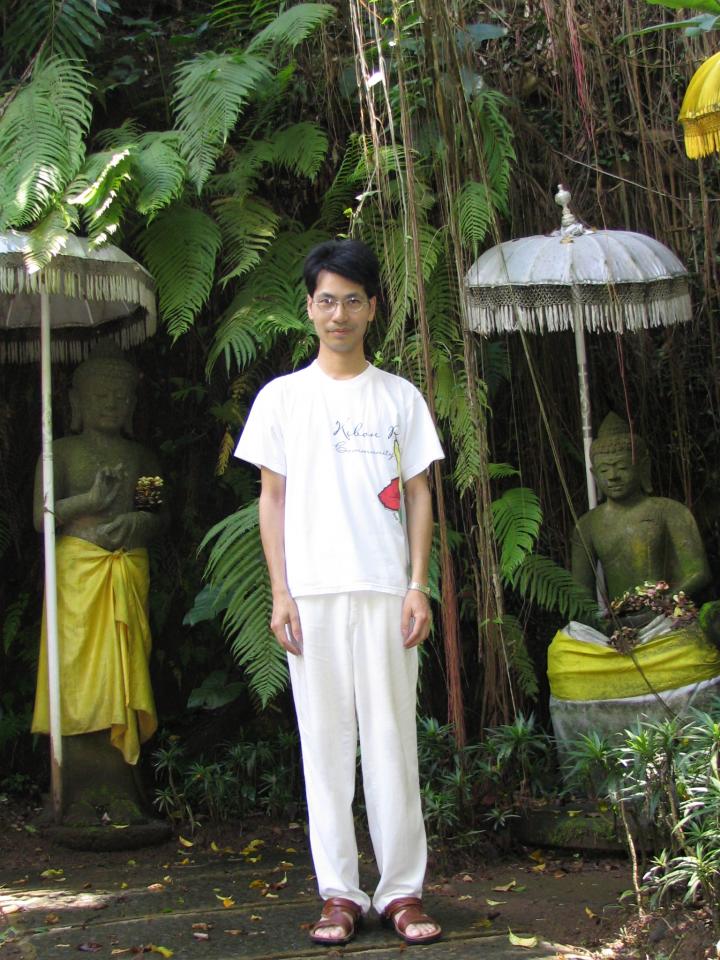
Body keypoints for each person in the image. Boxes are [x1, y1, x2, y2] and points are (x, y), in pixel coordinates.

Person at [234, 239, 443, 946]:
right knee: (324, 748)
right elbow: (271, 499)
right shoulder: (282, 399)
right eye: (328, 299)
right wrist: (280, 591)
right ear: (310, 308)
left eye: (354, 299)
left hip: (387, 592)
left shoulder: (399, 396)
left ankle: (403, 892)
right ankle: (339, 894)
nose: (340, 313)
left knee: (392, 744)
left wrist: (418, 585)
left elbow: (418, 495)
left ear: (373, 308)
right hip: (313, 596)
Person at [31, 345, 164, 824]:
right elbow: (40, 518)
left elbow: (155, 515)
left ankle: (122, 785)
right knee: (76, 677)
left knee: (123, 676)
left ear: (131, 405)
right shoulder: (60, 452)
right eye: (100, 394)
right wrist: (88, 498)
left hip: (124, 568)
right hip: (77, 575)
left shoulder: (142, 455)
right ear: (77, 402)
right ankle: (74, 787)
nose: (111, 402)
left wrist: (132, 523)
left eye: (120, 396)